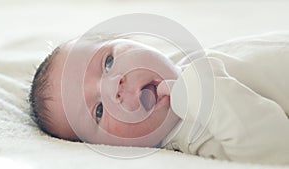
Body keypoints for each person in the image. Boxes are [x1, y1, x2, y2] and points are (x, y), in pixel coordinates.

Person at [29, 33, 289, 165]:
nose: (113, 86)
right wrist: (196, 92)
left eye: (108, 62)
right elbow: (276, 150)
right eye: (98, 111)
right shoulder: (194, 135)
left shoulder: (184, 63)